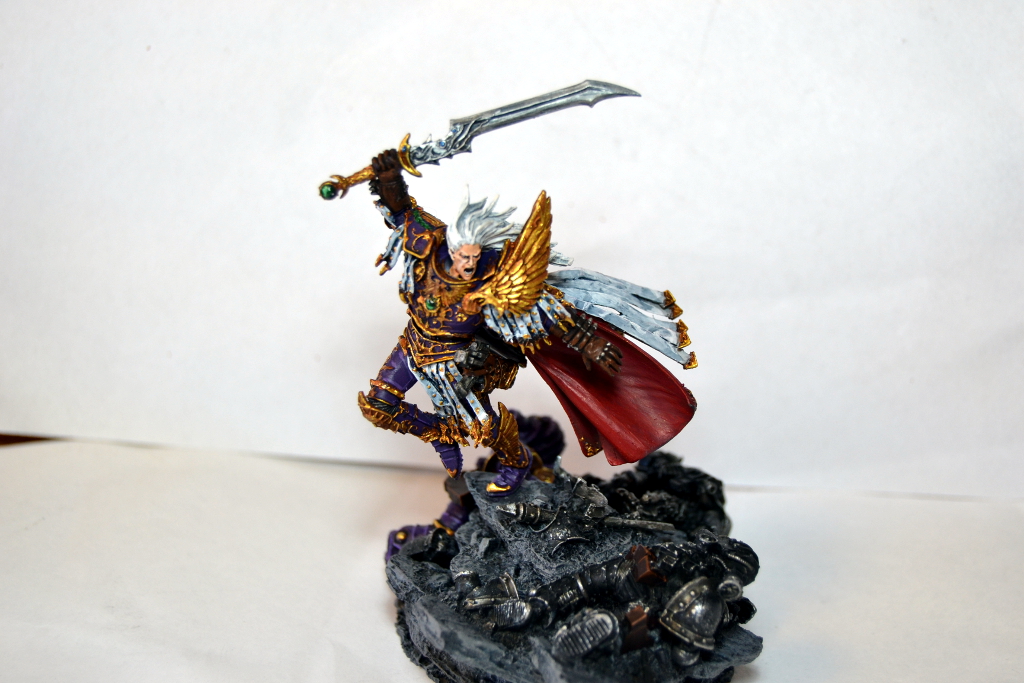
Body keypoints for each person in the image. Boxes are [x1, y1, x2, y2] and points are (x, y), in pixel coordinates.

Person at [358, 149, 697, 496]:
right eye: (463, 257)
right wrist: (389, 178)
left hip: (457, 360)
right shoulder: (427, 245)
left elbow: (544, 307)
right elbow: (402, 210)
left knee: (484, 428)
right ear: (451, 247)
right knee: (378, 407)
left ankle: (516, 461)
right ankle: (439, 435)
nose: (468, 265)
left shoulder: (491, 278)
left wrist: (588, 342)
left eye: (475, 258)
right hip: (413, 342)